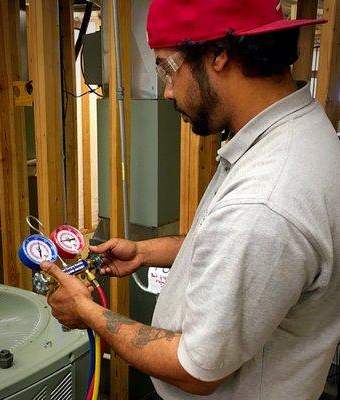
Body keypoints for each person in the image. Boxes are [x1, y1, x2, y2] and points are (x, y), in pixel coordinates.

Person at [41, 0, 340, 399]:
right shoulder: (292, 135)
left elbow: (196, 370)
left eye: (167, 68)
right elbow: (225, 246)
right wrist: (146, 252)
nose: (166, 91)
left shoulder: (265, 201)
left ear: (218, 55)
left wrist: (89, 313)